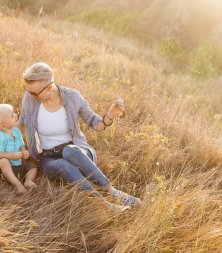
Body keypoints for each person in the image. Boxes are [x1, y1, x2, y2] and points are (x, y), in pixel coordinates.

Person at [18, 62, 141, 206]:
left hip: (78, 152)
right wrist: (4, 128)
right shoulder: (29, 99)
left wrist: (110, 115)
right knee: (64, 165)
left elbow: (97, 124)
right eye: (28, 91)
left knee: (69, 151)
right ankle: (106, 206)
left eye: (34, 93)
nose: (31, 95)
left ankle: (113, 192)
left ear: (50, 87)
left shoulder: (72, 97)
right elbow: (21, 124)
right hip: (48, 159)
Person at [0, 104, 38, 194]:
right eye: (12, 115)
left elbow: (21, 144)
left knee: (32, 165)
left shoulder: (16, 131)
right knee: (3, 161)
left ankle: (28, 181)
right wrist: (11, 156)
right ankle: (18, 185)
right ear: (3, 126)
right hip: (0, 167)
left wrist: (23, 151)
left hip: (16, 164)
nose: (15, 114)